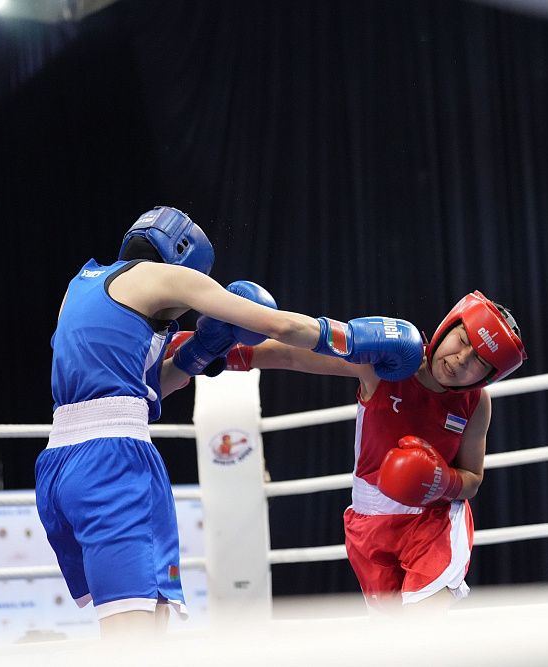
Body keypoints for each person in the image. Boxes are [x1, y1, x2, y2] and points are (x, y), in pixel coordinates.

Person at [34, 205, 423, 639]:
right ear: (186, 258)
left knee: (147, 617)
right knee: (131, 636)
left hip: (59, 465)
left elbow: (139, 392)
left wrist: (200, 351)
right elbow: (279, 326)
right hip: (112, 459)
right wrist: (355, 338)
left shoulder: (81, 285)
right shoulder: (169, 278)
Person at [224, 291, 526, 611]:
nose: (462, 358)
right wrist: (217, 355)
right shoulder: (390, 361)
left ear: (489, 375)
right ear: (449, 326)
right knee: (391, 634)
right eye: (463, 340)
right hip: (370, 521)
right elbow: (292, 356)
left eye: (479, 361)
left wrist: (442, 481)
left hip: (433, 520)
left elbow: (473, 478)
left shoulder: (476, 403)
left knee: (424, 625)